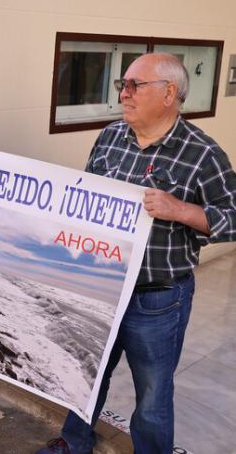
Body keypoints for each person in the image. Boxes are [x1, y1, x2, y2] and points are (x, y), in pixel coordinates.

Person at [36, 53, 236, 454]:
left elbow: (232, 218)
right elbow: (88, 196)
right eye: (121, 85)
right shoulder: (110, 137)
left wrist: (178, 209)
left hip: (157, 299)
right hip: (102, 284)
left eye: (133, 86)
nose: (123, 94)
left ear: (169, 93)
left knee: (153, 395)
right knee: (87, 373)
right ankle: (74, 442)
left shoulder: (203, 153)